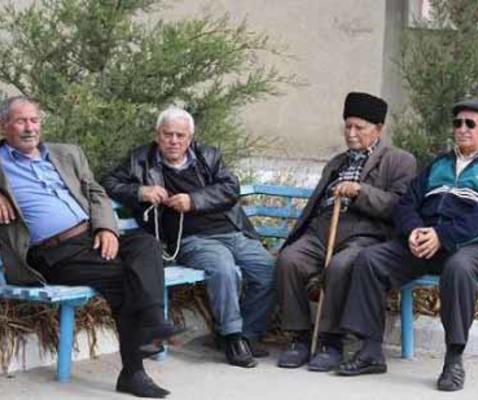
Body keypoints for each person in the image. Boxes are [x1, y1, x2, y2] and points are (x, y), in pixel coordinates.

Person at [0, 96, 177, 398]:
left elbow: (97, 193)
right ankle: (136, 366)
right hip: (53, 254)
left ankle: (153, 324)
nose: (30, 128)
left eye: (34, 120)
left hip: (91, 238)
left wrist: (106, 228)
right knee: (125, 278)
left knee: (145, 243)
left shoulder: (66, 153)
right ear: (4, 126)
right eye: (21, 121)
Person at [337, 99, 478, 392]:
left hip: (474, 247)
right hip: (425, 243)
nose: (462, 129)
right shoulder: (439, 163)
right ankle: (370, 350)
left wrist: (442, 235)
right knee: (371, 259)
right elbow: (407, 203)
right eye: (458, 123)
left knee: (459, 268)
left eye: (470, 124)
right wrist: (413, 230)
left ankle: (453, 360)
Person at [103, 106, 275, 368]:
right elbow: (109, 183)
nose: (173, 141)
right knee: (223, 268)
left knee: (267, 268)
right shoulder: (140, 160)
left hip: (231, 230)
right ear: (157, 135)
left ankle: (248, 334)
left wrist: (194, 200)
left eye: (180, 135)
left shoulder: (208, 156)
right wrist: (141, 191)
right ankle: (232, 336)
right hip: (191, 239)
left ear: (190, 138)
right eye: (167, 134)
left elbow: (231, 188)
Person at [275, 92, 416, 371]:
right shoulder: (337, 162)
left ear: (378, 129)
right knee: (289, 260)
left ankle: (331, 341)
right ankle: (300, 337)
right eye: (347, 126)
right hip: (323, 229)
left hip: (365, 234)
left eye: (359, 127)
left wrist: (361, 191)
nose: (351, 134)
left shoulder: (399, 160)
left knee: (341, 266)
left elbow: (399, 206)